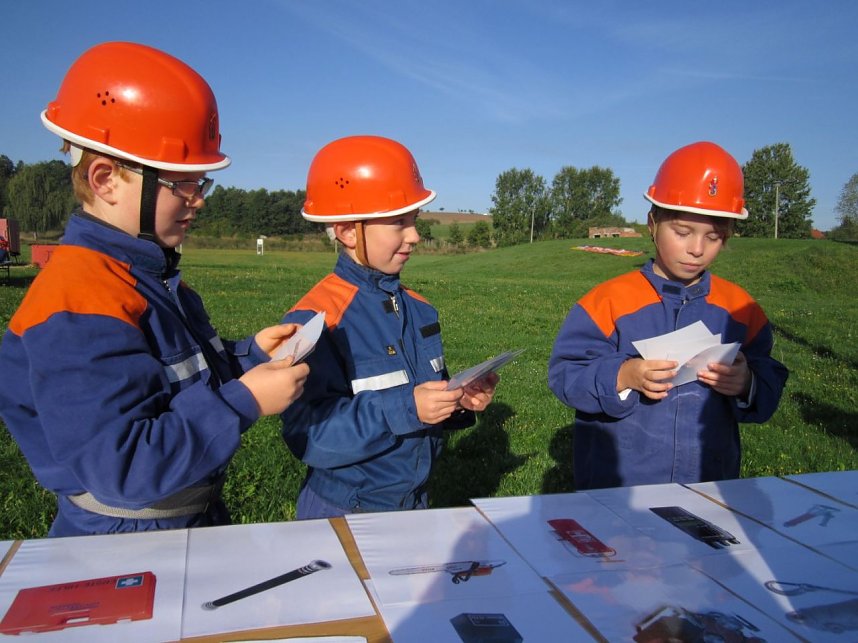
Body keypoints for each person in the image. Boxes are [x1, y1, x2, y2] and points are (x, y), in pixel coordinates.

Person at [0, 42, 309, 537]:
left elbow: (173, 383)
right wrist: (242, 401)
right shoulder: (80, 301)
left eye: (201, 184)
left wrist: (249, 358)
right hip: (124, 546)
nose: (198, 201)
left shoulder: (148, 278)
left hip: (179, 523)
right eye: (183, 184)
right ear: (106, 180)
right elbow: (122, 467)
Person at [548, 141, 788, 490]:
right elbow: (566, 375)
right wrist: (623, 375)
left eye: (714, 237)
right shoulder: (608, 301)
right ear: (652, 224)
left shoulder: (740, 308)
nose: (696, 249)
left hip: (709, 488)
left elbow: (769, 378)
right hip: (618, 491)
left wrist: (748, 384)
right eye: (682, 232)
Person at [280, 135, 498, 518]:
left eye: (413, 221)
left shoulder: (420, 310)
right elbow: (309, 436)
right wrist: (407, 408)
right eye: (399, 223)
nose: (414, 236)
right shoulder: (316, 319)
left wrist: (458, 401)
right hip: (344, 510)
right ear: (348, 231)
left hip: (415, 504)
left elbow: (426, 399)